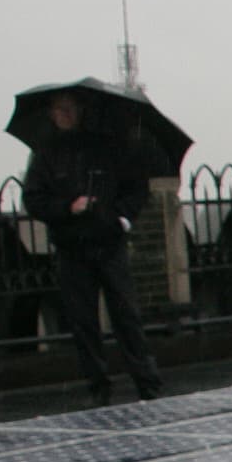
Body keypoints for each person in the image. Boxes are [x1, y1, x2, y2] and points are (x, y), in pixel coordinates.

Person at [24, 91, 163, 405]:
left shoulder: (108, 147)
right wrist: (67, 207)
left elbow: (136, 188)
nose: (64, 114)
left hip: (109, 243)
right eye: (58, 109)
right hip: (72, 247)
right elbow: (34, 200)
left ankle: (146, 380)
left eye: (69, 108)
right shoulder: (46, 154)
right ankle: (97, 386)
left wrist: (120, 220)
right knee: (82, 320)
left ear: (81, 110)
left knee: (126, 315)